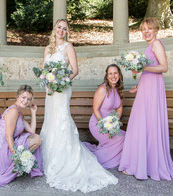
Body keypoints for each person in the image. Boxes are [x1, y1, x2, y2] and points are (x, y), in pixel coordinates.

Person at [40, 19, 117, 193]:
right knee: (51, 120)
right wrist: (46, 79)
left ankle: (65, 158)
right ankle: (51, 157)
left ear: (67, 32)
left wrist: (61, 81)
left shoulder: (68, 47)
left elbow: (75, 70)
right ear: (54, 29)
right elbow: (43, 69)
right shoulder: (47, 49)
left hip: (62, 89)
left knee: (61, 118)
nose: (61, 30)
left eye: (64, 28)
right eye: (59, 27)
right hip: (50, 90)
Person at [118, 18, 173, 181]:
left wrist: (142, 67)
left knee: (148, 123)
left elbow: (163, 67)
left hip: (152, 89)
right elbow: (151, 71)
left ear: (156, 29)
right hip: (147, 88)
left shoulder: (157, 44)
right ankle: (143, 164)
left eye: (149, 28)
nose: (145, 31)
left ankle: (148, 165)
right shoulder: (150, 46)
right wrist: (139, 86)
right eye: (143, 29)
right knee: (143, 123)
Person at [0, 85, 43, 187]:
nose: (25, 101)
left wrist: (33, 113)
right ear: (17, 96)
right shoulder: (13, 111)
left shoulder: (19, 112)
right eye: (23, 97)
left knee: (36, 138)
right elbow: (8, 137)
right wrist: (17, 157)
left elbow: (32, 131)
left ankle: (17, 166)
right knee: (37, 139)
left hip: (7, 144)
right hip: (1, 148)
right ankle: (13, 166)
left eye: (28, 99)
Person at [83, 64, 125, 169]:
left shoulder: (118, 89)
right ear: (107, 76)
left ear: (119, 74)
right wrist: (105, 126)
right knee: (121, 139)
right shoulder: (102, 89)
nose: (113, 76)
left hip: (111, 124)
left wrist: (115, 123)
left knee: (126, 136)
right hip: (98, 123)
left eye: (115, 73)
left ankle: (116, 158)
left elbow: (119, 108)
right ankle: (96, 158)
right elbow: (96, 109)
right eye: (110, 73)